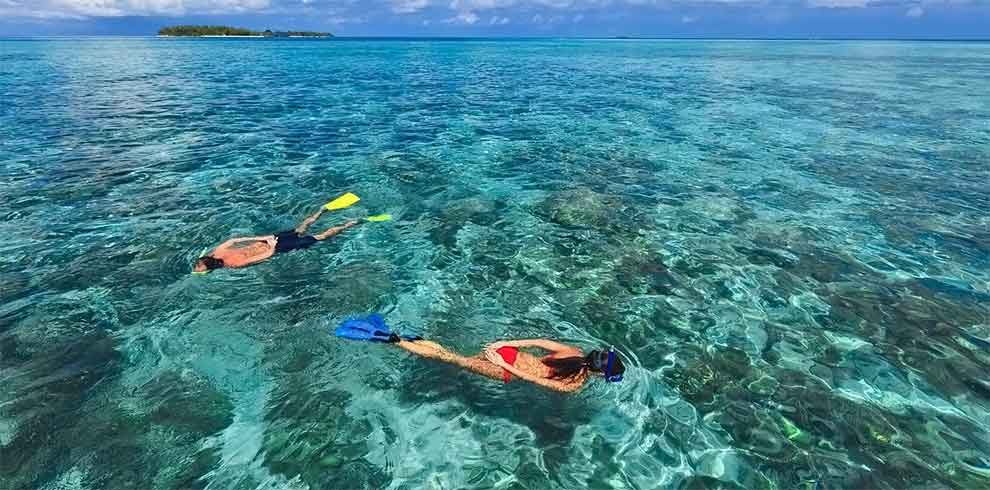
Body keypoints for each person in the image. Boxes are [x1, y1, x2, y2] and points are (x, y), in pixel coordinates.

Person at [193, 205, 358, 273]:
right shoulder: (218, 251)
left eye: (199, 268)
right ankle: (321, 210)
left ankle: (350, 224)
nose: (197, 268)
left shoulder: (234, 265)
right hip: (265, 240)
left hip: (275, 247)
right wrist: (265, 238)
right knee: (300, 229)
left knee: (320, 237)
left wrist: (272, 246)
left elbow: (265, 257)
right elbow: (234, 240)